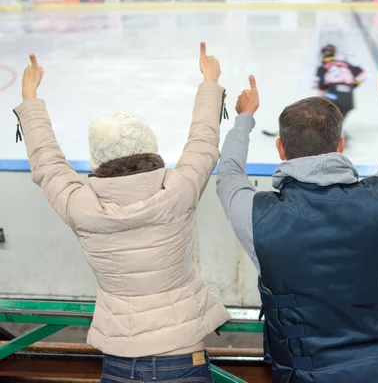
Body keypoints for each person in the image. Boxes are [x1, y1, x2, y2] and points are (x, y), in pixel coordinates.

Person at [14, 43, 230, 383]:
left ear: (96, 160)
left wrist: (30, 101)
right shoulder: (178, 189)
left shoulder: (80, 205)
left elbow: (47, 162)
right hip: (184, 356)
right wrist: (210, 83)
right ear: (149, 146)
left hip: (120, 364)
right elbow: (203, 141)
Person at [216, 56, 378, 383]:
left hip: (303, 374)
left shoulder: (257, 216)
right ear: (339, 146)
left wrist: (244, 117)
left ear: (281, 149)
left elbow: (227, 174)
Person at [315, 44, 364, 138]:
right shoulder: (345, 64)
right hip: (348, 99)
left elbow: (320, 88)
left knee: (322, 111)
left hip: (334, 96)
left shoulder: (323, 67)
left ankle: (327, 134)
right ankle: (338, 132)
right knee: (339, 119)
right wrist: (353, 85)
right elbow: (363, 74)